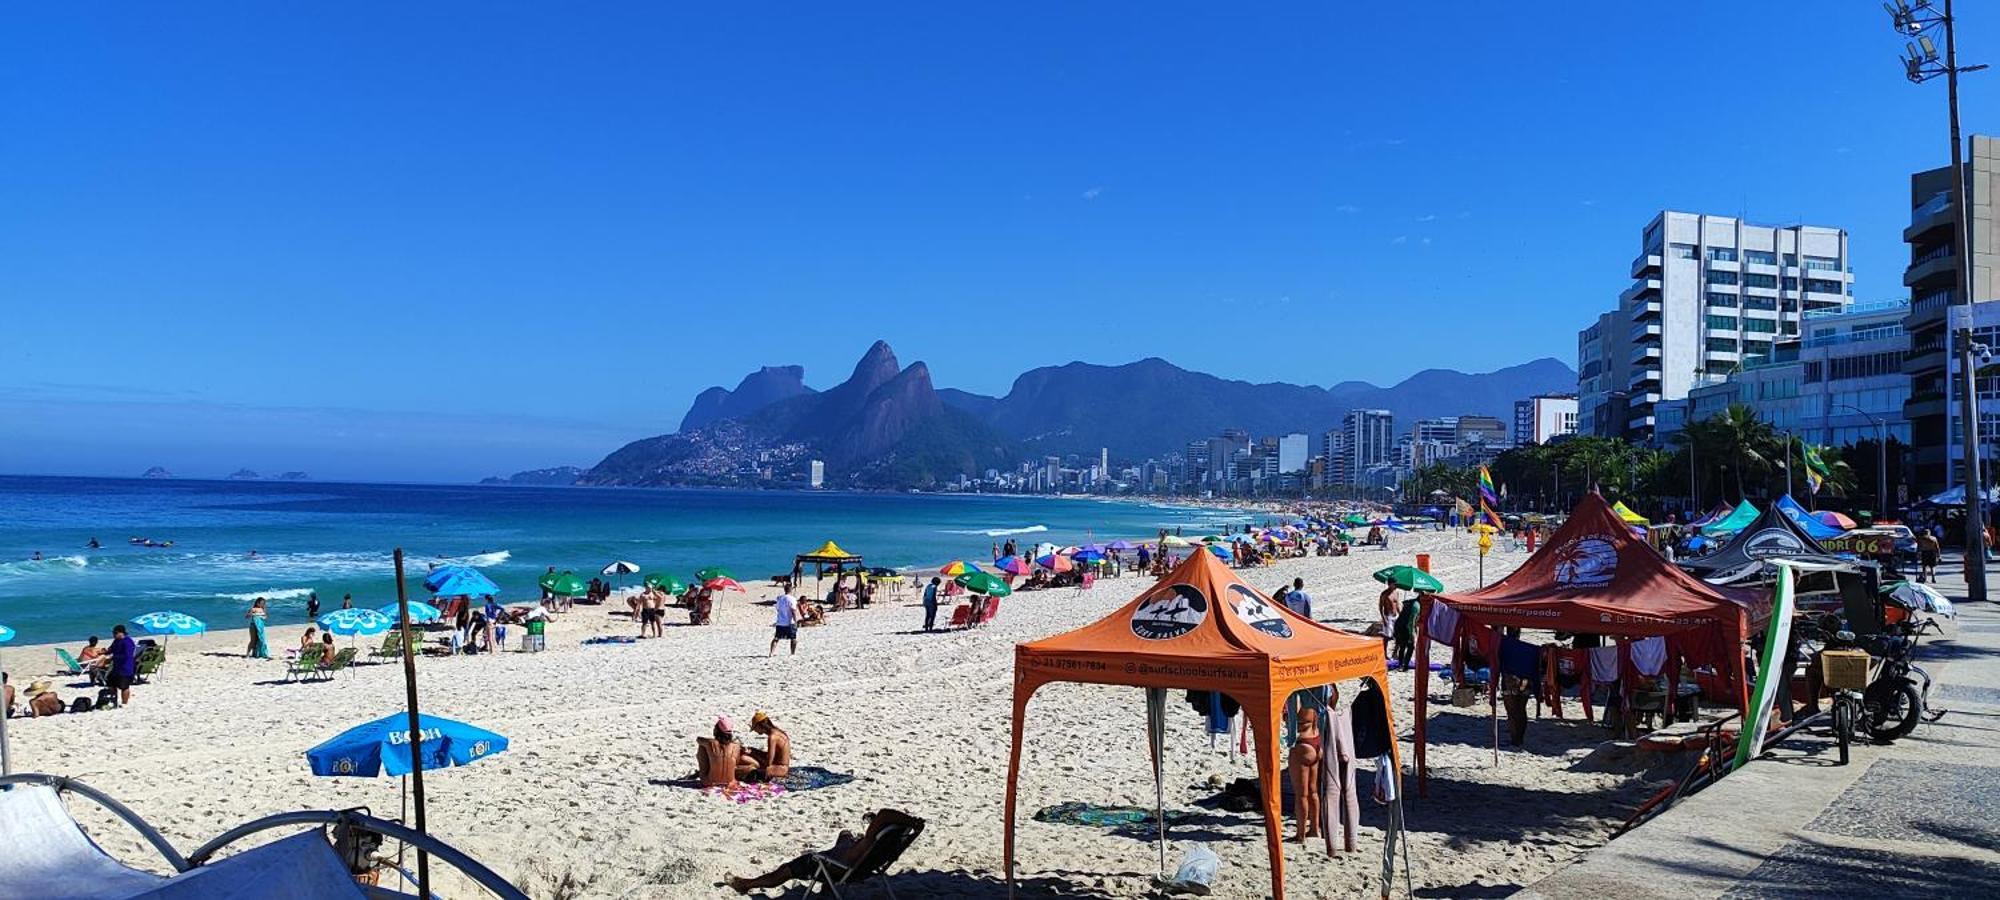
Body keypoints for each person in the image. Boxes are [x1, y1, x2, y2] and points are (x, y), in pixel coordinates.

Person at [724, 809, 923, 895]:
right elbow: (886, 818)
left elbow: (885, 813)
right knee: (845, 834)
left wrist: (909, 820)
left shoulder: (870, 839)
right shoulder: (888, 842)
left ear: (877, 829)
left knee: (786, 870)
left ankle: (746, 884)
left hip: (838, 868)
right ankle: (828, 886)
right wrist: (912, 823)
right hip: (860, 865)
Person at [1288, 707, 1322, 842]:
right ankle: (1314, 829)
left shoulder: (1297, 697)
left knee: (1301, 794)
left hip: (1302, 744)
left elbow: (1291, 717)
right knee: (1313, 791)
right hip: (1316, 738)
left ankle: (1300, 835)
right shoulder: (1319, 692)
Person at [695, 717, 752, 789]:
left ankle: (704, 772)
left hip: (709, 782)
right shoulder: (736, 746)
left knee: (702, 746)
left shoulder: (710, 742)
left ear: (717, 730)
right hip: (730, 782)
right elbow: (736, 763)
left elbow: (698, 739)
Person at [745, 711, 792, 781]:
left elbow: (768, 762)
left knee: (750, 772)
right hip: (782, 767)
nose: (755, 731)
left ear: (759, 725)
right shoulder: (779, 732)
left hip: (779, 769)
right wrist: (754, 751)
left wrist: (753, 754)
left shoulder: (772, 737)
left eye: (755, 728)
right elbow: (774, 756)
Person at [107, 625, 139, 707]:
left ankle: (124, 703)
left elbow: (127, 655)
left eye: (115, 633)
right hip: (116, 667)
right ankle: (113, 700)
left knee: (124, 686)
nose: (113, 635)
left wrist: (112, 657)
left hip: (126, 668)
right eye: (113, 633)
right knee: (110, 683)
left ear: (121, 633)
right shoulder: (116, 641)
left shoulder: (128, 642)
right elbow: (111, 649)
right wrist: (103, 653)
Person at [771, 585, 799, 657]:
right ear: (791, 590)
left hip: (780, 621)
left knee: (776, 638)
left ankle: (771, 652)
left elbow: (777, 608)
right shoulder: (792, 599)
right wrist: (795, 621)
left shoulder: (780, 598)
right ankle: (792, 653)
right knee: (793, 638)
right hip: (789, 622)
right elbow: (793, 611)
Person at [1376, 587, 1399, 652]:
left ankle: (1395, 653)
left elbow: (1397, 605)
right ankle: (1384, 652)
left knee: (1397, 635)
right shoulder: (1384, 594)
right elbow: (1380, 607)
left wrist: (1401, 615)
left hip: (1395, 616)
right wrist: (1383, 619)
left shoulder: (1396, 592)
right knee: (1387, 636)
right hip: (1388, 616)